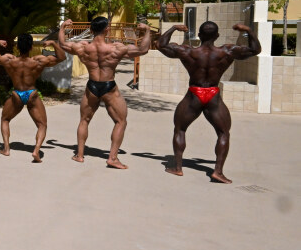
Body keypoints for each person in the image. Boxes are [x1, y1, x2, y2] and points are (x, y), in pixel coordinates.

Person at [157, 21, 261, 183]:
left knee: (180, 129)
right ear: (217, 36)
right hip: (213, 95)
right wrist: (248, 30)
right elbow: (255, 49)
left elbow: (161, 45)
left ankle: (177, 168)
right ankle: (218, 171)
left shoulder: (188, 51)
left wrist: (173, 28)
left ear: (199, 35)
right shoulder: (227, 51)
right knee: (223, 133)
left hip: (194, 94)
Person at [58, 17, 151, 169]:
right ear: (107, 29)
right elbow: (143, 49)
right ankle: (112, 158)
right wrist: (147, 30)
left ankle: (79, 155)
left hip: (92, 86)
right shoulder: (116, 48)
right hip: (109, 87)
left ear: (91, 30)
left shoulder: (82, 47)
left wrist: (63, 27)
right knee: (120, 121)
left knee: (84, 120)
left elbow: (62, 44)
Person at [0, 33, 65, 162]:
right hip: (31, 94)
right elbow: (61, 57)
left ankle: (6, 149)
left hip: (17, 94)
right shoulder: (39, 61)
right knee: (42, 125)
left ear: (17, 47)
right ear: (31, 47)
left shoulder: (9, 60)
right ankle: (36, 151)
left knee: (5, 119)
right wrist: (54, 44)